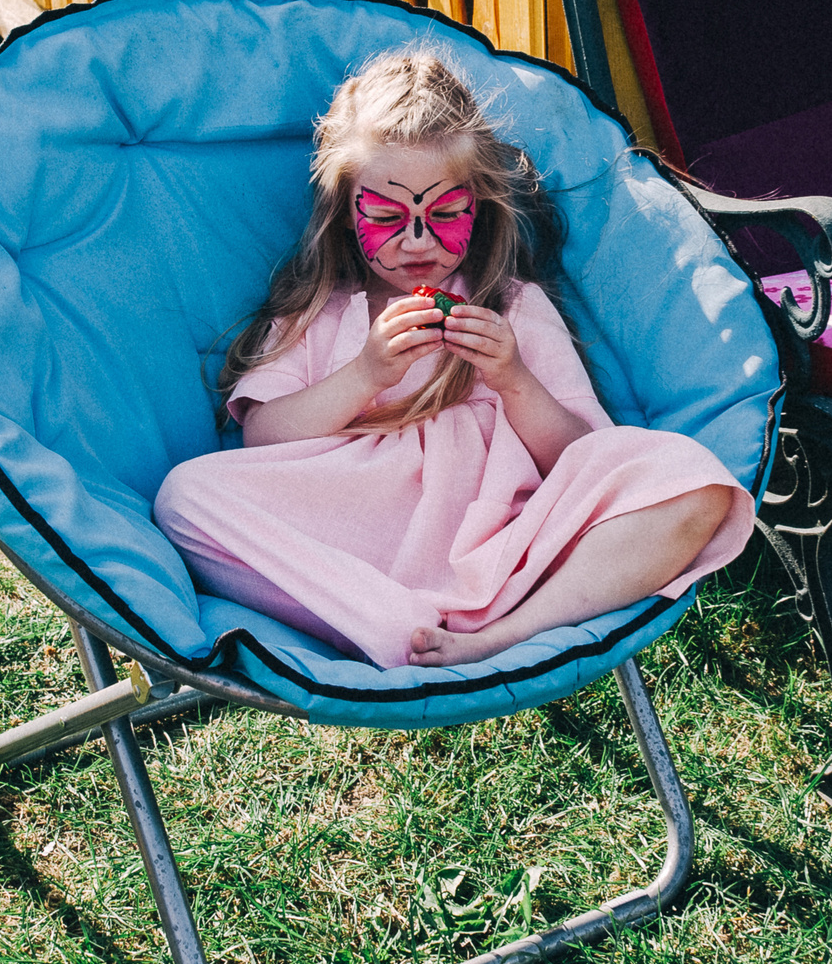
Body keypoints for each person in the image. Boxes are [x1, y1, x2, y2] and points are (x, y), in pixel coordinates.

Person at [154, 50, 754, 670]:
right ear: (344, 210)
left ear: (479, 204)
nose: (417, 241)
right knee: (185, 497)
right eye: (388, 217)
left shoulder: (512, 308)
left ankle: (510, 631)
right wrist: (367, 374)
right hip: (355, 539)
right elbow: (261, 438)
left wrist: (514, 380)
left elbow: (581, 454)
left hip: (505, 542)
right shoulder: (318, 312)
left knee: (692, 479)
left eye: (443, 214)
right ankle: (390, 626)